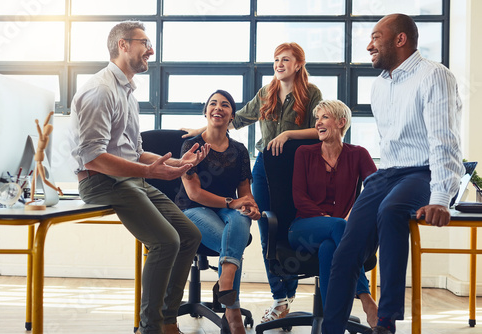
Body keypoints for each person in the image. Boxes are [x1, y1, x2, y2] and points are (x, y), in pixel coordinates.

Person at [321, 14, 464, 334]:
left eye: (376, 37)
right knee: (346, 249)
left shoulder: (434, 75)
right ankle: (330, 328)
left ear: (400, 40)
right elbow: (390, 144)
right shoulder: (379, 86)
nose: (369, 45)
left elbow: (444, 141)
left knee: (392, 210)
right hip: (387, 173)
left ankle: (385, 321)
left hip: (423, 172)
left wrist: (441, 197)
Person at [68, 21, 210, 334]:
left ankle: (168, 319)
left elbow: (134, 152)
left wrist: (177, 166)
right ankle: (152, 328)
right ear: (122, 45)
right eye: (144, 42)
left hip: (130, 180)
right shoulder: (100, 90)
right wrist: (147, 171)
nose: (151, 49)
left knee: (189, 235)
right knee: (165, 242)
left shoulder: (128, 93)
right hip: (99, 181)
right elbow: (93, 157)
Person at [183, 42, 322, 322]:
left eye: (286, 60)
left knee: (287, 229)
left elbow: (321, 128)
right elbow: (237, 118)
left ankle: (288, 293)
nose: (279, 64)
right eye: (276, 60)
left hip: (296, 170)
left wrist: (289, 135)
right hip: (264, 168)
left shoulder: (311, 93)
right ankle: (279, 298)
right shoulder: (266, 93)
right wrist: (201, 130)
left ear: (298, 65)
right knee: (266, 230)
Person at [175, 90, 261, 334]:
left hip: (227, 210)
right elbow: (193, 193)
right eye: (213, 103)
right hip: (193, 209)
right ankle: (232, 312)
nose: (218, 108)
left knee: (241, 218)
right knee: (234, 238)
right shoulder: (191, 145)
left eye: (225, 105)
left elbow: (245, 193)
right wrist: (231, 202)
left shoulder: (240, 150)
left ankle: (226, 282)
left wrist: (250, 206)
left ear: (232, 115)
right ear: (206, 112)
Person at [289, 100, 378, 327]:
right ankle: (366, 297)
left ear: (341, 122)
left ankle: (332, 327)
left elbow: (376, 190)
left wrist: (353, 216)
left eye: (324, 117)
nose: (318, 123)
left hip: (339, 233)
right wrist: (328, 220)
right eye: (317, 118)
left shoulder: (358, 154)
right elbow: (299, 197)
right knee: (338, 227)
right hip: (304, 228)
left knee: (331, 249)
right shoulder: (304, 153)